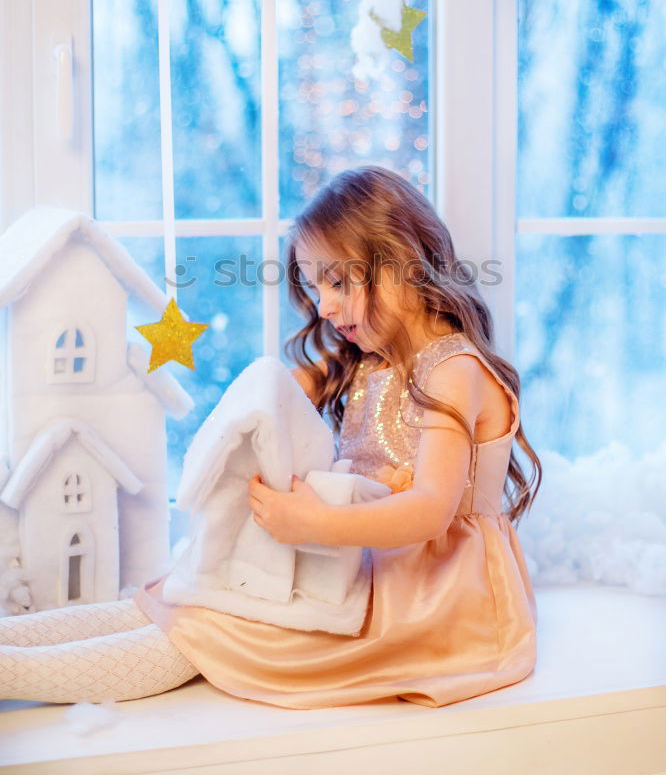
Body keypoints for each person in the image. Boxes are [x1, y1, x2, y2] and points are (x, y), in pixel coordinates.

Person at [0, 165, 542, 706]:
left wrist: (317, 523)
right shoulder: (366, 363)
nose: (325, 307)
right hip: (365, 567)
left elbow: (431, 511)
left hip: (433, 596)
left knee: (213, 631)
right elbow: (268, 399)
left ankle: (12, 675)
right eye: (314, 287)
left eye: (337, 281)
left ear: (402, 265)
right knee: (172, 600)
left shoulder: (452, 370)